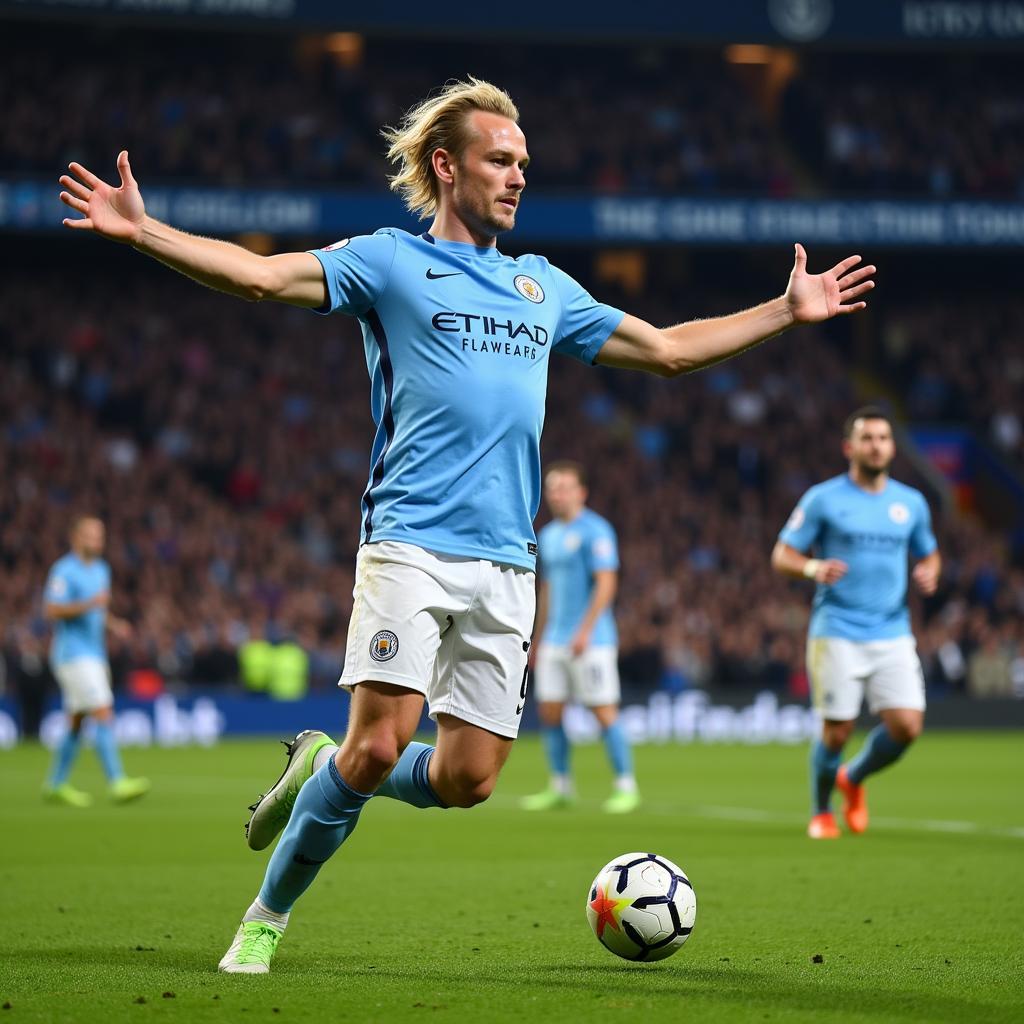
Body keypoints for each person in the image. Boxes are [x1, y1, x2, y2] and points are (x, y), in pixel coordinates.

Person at [58, 78, 875, 973]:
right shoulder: (390, 262)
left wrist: (786, 313)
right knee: (379, 744)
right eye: (500, 159)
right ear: (446, 167)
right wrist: (145, 231)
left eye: (524, 163)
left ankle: (321, 769)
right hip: (409, 540)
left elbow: (669, 352)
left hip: (506, 564)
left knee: (466, 780)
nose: (519, 176)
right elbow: (261, 278)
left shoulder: (545, 288)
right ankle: (265, 919)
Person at [771, 408, 940, 840]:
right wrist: (812, 569)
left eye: (883, 438)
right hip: (837, 630)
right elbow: (782, 555)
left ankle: (854, 777)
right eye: (867, 438)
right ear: (849, 447)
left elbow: (928, 552)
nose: (876, 445)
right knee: (837, 730)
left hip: (892, 630)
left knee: (907, 727)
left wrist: (930, 570)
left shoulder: (910, 503)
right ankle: (821, 810)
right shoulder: (823, 499)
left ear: (892, 447)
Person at [520, 461, 638, 813]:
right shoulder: (549, 535)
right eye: (553, 487)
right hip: (556, 638)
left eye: (565, 487)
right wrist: (537, 639)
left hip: (593, 639)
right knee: (551, 711)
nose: (557, 494)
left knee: (603, 711)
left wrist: (585, 630)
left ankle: (626, 785)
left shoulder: (597, 531)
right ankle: (560, 786)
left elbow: (606, 583)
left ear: (581, 492)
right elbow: (548, 591)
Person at [42, 517, 151, 806]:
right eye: (90, 536)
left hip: (94, 654)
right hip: (72, 655)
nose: (97, 542)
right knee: (102, 709)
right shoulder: (64, 570)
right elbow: (52, 610)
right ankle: (117, 781)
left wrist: (114, 625)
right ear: (76, 538)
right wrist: (89, 605)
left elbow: (98, 612)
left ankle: (55, 784)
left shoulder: (102, 570)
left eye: (100, 536)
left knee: (77, 721)